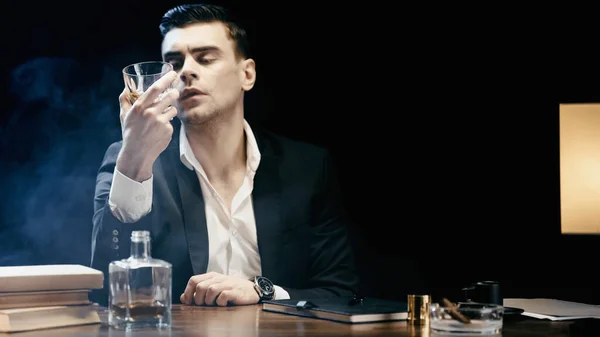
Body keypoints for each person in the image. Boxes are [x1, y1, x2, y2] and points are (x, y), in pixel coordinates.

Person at [90, 3, 359, 307]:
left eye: (205, 58)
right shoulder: (128, 161)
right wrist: (135, 159)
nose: (187, 71)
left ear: (247, 74)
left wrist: (262, 291)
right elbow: (103, 292)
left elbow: (341, 292)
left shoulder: (306, 167)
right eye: (174, 64)